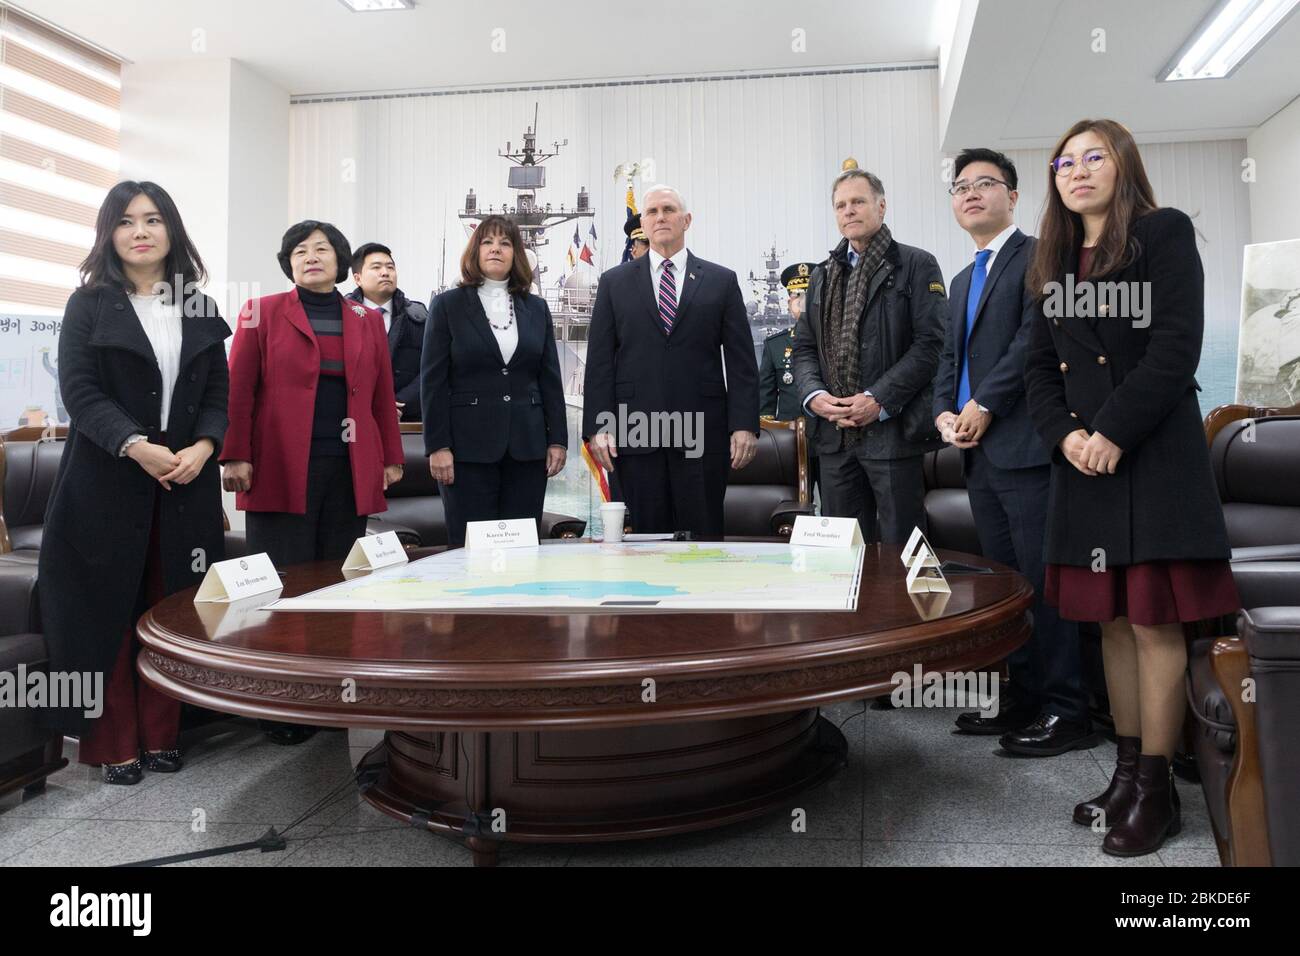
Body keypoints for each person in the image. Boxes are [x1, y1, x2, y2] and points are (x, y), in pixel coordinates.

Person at [1024, 118, 1240, 856]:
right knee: (1110, 622)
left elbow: (1176, 347)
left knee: (1153, 622)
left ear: (1124, 166)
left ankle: (1156, 790)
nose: (1077, 171)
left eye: (1095, 157)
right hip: (1084, 462)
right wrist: (1068, 437)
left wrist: (1111, 431)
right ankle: (1123, 771)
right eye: (1065, 162)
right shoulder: (1051, 260)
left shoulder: (1162, 233)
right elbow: (1034, 369)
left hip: (1150, 456)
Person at [40, 181, 230, 784]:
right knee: (106, 611)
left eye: (152, 219)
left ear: (171, 230)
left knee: (173, 607)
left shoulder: (198, 304)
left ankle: (163, 735)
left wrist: (204, 446)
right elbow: (80, 392)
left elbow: (218, 396)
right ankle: (113, 742)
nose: (140, 231)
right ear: (109, 234)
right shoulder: (88, 304)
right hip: (104, 480)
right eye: (125, 222)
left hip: (186, 482)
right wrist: (136, 446)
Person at [220, 220, 404, 744]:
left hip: (347, 468)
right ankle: (278, 706)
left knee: (336, 585)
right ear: (289, 264)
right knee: (280, 585)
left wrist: (390, 456)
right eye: (300, 251)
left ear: (341, 261)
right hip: (279, 465)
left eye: (322, 249)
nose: (311, 257)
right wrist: (235, 454)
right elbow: (239, 388)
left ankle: (327, 699)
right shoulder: (263, 311)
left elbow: (379, 394)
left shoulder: (365, 318)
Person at [933, 148, 1089, 754]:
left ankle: (1067, 709)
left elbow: (1034, 341)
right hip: (977, 454)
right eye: (960, 186)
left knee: (1044, 583)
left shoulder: (1039, 257)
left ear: (1014, 196)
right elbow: (952, 358)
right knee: (1008, 585)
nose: (970, 194)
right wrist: (945, 410)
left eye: (985, 184)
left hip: (1025, 445)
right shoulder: (962, 277)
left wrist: (985, 405)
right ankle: (1021, 699)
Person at [583, 185, 759, 536]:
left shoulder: (721, 281)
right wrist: (598, 427)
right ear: (644, 225)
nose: (660, 217)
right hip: (635, 435)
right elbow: (600, 362)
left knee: (703, 540)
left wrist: (744, 424)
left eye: (668, 209)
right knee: (644, 544)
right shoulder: (613, 283)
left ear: (686, 220)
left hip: (701, 435)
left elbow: (741, 362)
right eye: (652, 212)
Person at [791, 163, 945, 543]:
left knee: (902, 550)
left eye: (858, 201)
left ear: (882, 206)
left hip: (891, 434)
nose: (849, 211)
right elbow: (805, 348)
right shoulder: (823, 275)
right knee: (842, 554)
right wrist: (815, 396)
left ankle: (903, 607)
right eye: (841, 205)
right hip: (834, 436)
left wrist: (878, 399)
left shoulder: (916, 264)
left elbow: (932, 345)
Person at [421, 215, 568, 547]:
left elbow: (549, 379)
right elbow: (433, 382)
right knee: (469, 546)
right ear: (475, 251)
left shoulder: (536, 308)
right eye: (487, 242)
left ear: (516, 253)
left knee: (523, 547)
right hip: (466, 450)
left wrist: (558, 439)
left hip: (527, 449)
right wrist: (437, 445)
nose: (496, 249)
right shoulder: (448, 306)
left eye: (505, 243)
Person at [346, 242, 428, 422]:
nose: (385, 272)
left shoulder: (419, 317)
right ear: (358, 278)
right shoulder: (341, 316)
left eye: (390, 267)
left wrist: (399, 403)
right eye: (376, 267)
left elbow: (431, 367)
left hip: (408, 420)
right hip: (353, 418)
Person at [760, 262, 820, 500]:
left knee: (838, 510)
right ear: (788, 302)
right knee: (793, 506)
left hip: (832, 441)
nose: (802, 300)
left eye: (808, 294)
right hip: (791, 443)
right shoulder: (775, 346)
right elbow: (765, 402)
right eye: (796, 295)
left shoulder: (837, 343)